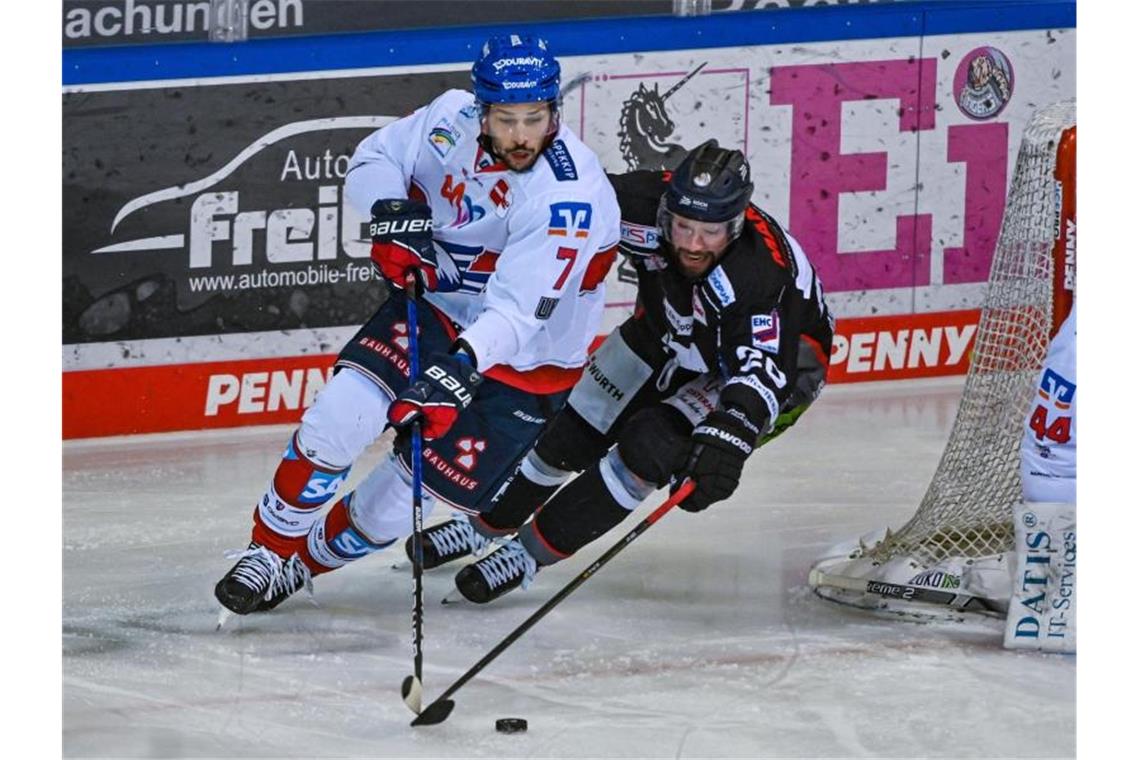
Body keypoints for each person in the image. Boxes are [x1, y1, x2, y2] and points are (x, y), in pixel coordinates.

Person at [213, 34, 621, 616]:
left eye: (536, 118)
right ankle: (267, 552)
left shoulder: (567, 195)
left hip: (525, 365)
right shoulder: (447, 118)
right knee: (337, 418)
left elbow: (518, 314)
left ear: (555, 109)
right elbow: (374, 159)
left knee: (390, 504)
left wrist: (460, 367)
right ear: (481, 110)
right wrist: (388, 213)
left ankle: (299, 568)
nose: (523, 135)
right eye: (507, 119)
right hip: (436, 312)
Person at [407, 139, 835, 603]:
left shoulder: (759, 278)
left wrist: (727, 442)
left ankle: (528, 555)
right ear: (667, 206)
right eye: (683, 226)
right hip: (668, 330)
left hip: (765, 374)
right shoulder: (638, 206)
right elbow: (556, 206)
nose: (692, 244)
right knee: (569, 429)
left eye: (709, 232)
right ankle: (485, 524)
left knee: (649, 447)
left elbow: (762, 374)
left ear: (735, 225)